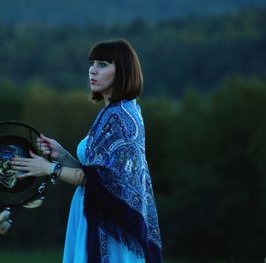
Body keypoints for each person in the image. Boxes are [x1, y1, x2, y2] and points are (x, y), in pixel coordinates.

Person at [11, 39, 162, 263]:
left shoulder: (120, 116)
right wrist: (62, 154)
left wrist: (50, 168)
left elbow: (101, 181)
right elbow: (95, 174)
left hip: (109, 229)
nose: (93, 70)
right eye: (92, 63)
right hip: (93, 215)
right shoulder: (113, 112)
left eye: (103, 64)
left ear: (123, 71)